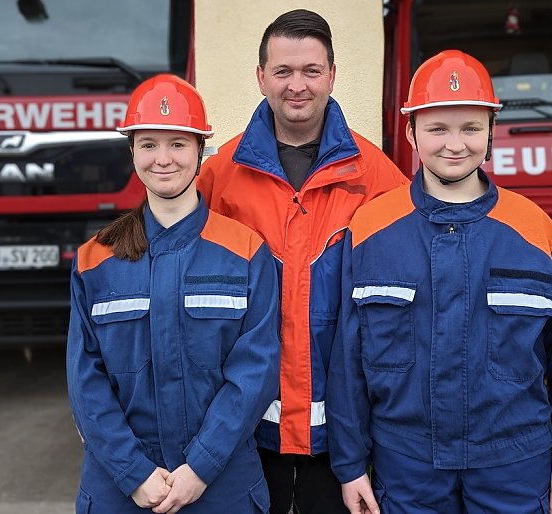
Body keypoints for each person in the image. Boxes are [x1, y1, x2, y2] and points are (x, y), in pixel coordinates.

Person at [326, 50, 552, 514]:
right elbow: (347, 361)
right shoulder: (370, 230)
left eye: (471, 128)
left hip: (514, 463)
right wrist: (351, 464)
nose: (455, 144)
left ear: (492, 132)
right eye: (438, 128)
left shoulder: (533, 230)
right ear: (411, 132)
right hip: (407, 466)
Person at [196, 9, 407, 514]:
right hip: (242, 430)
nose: (298, 85)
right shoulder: (218, 177)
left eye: (311, 71)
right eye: (283, 71)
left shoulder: (377, 177)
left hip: (343, 437)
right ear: (261, 76)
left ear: (332, 76)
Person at [66, 74, 280, 514]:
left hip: (222, 483)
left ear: (200, 150)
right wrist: (133, 473)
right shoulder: (95, 259)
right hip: (120, 486)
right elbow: (85, 379)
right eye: (148, 144)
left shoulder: (245, 251)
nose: (163, 159)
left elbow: (255, 373)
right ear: (131, 151)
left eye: (178, 144)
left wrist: (201, 466)